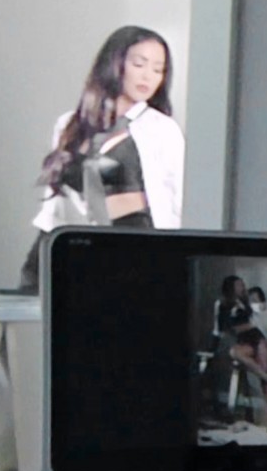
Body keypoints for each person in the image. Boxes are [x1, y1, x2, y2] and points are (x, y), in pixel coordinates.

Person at [19, 26, 184, 290]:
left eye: (158, 69)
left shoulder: (161, 129)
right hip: (66, 240)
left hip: (129, 245)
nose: (148, 76)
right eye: (139, 64)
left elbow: (175, 199)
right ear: (115, 63)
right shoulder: (70, 124)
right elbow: (57, 197)